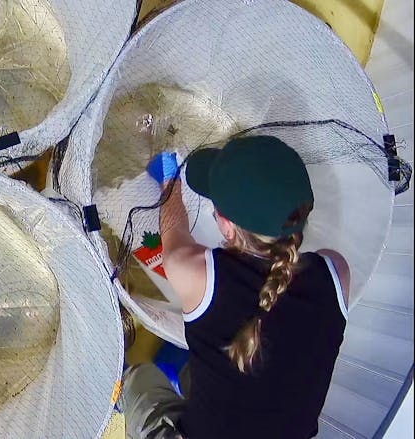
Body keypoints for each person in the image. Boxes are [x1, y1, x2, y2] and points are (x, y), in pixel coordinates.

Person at [118, 136, 350, 439]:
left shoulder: (197, 273)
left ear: (226, 226)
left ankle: (118, 394)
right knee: (205, 374)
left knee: (139, 378)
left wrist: (169, 179)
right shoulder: (336, 273)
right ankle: (181, 373)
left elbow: (174, 228)